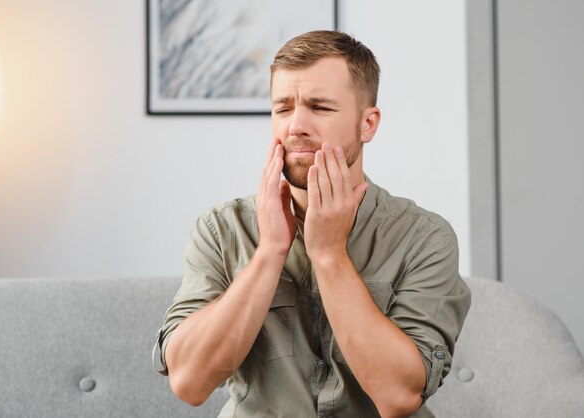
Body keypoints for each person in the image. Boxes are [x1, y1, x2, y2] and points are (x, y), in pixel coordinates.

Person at [153, 30, 471, 418]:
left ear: (367, 124)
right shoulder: (220, 230)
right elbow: (189, 382)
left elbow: (398, 396)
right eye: (283, 108)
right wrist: (269, 251)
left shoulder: (425, 239)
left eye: (320, 107)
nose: (295, 126)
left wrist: (329, 254)